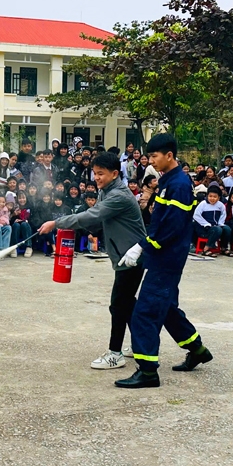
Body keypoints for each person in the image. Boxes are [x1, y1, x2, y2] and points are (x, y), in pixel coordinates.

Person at [114, 133, 212, 389]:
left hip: (166, 259)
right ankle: (197, 350)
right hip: (164, 256)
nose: (151, 162)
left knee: (144, 313)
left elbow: (171, 227)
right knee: (166, 308)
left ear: (169, 155)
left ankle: (147, 371)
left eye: (155, 156)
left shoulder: (178, 184)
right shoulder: (169, 181)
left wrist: (143, 246)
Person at [38, 152, 147, 370]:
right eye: (94, 173)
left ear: (115, 174)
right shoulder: (107, 191)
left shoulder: (119, 196)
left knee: (118, 305)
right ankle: (141, 345)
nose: (96, 178)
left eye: (101, 174)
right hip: (123, 255)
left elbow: (92, 216)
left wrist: (57, 222)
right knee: (127, 305)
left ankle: (115, 354)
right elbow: (97, 221)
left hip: (133, 257)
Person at [192, 185, 231, 258]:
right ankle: (206, 249)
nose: (212, 198)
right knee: (217, 229)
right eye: (210, 196)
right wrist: (206, 224)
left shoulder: (221, 205)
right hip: (204, 228)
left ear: (219, 197)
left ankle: (224, 248)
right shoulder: (203, 204)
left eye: (215, 196)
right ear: (207, 196)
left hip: (216, 227)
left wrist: (220, 224)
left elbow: (223, 215)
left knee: (227, 229)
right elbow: (196, 215)